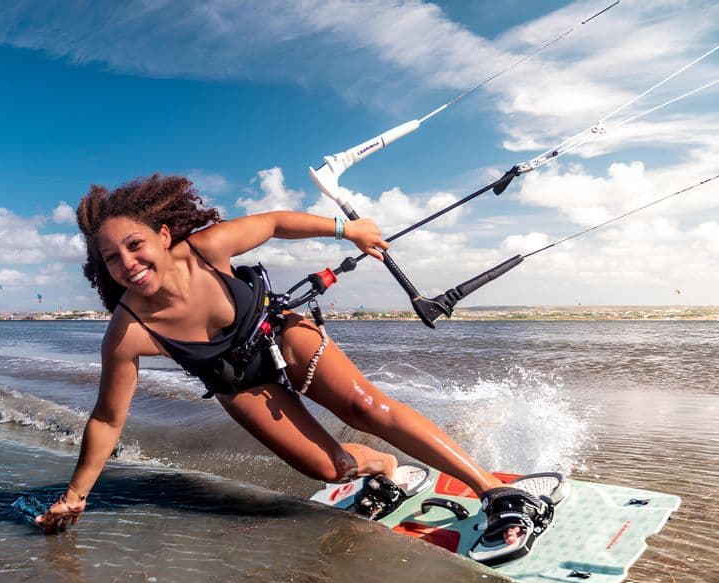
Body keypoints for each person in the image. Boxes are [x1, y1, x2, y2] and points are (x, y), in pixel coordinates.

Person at [36, 174, 545, 551]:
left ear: (164, 236)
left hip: (279, 335)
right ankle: (385, 467)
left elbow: (276, 223)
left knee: (364, 407)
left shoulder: (206, 249)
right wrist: (77, 494)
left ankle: (494, 492)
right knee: (326, 467)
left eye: (135, 245)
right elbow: (107, 418)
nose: (128, 263)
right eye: (112, 258)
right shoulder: (127, 333)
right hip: (238, 383)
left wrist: (348, 230)